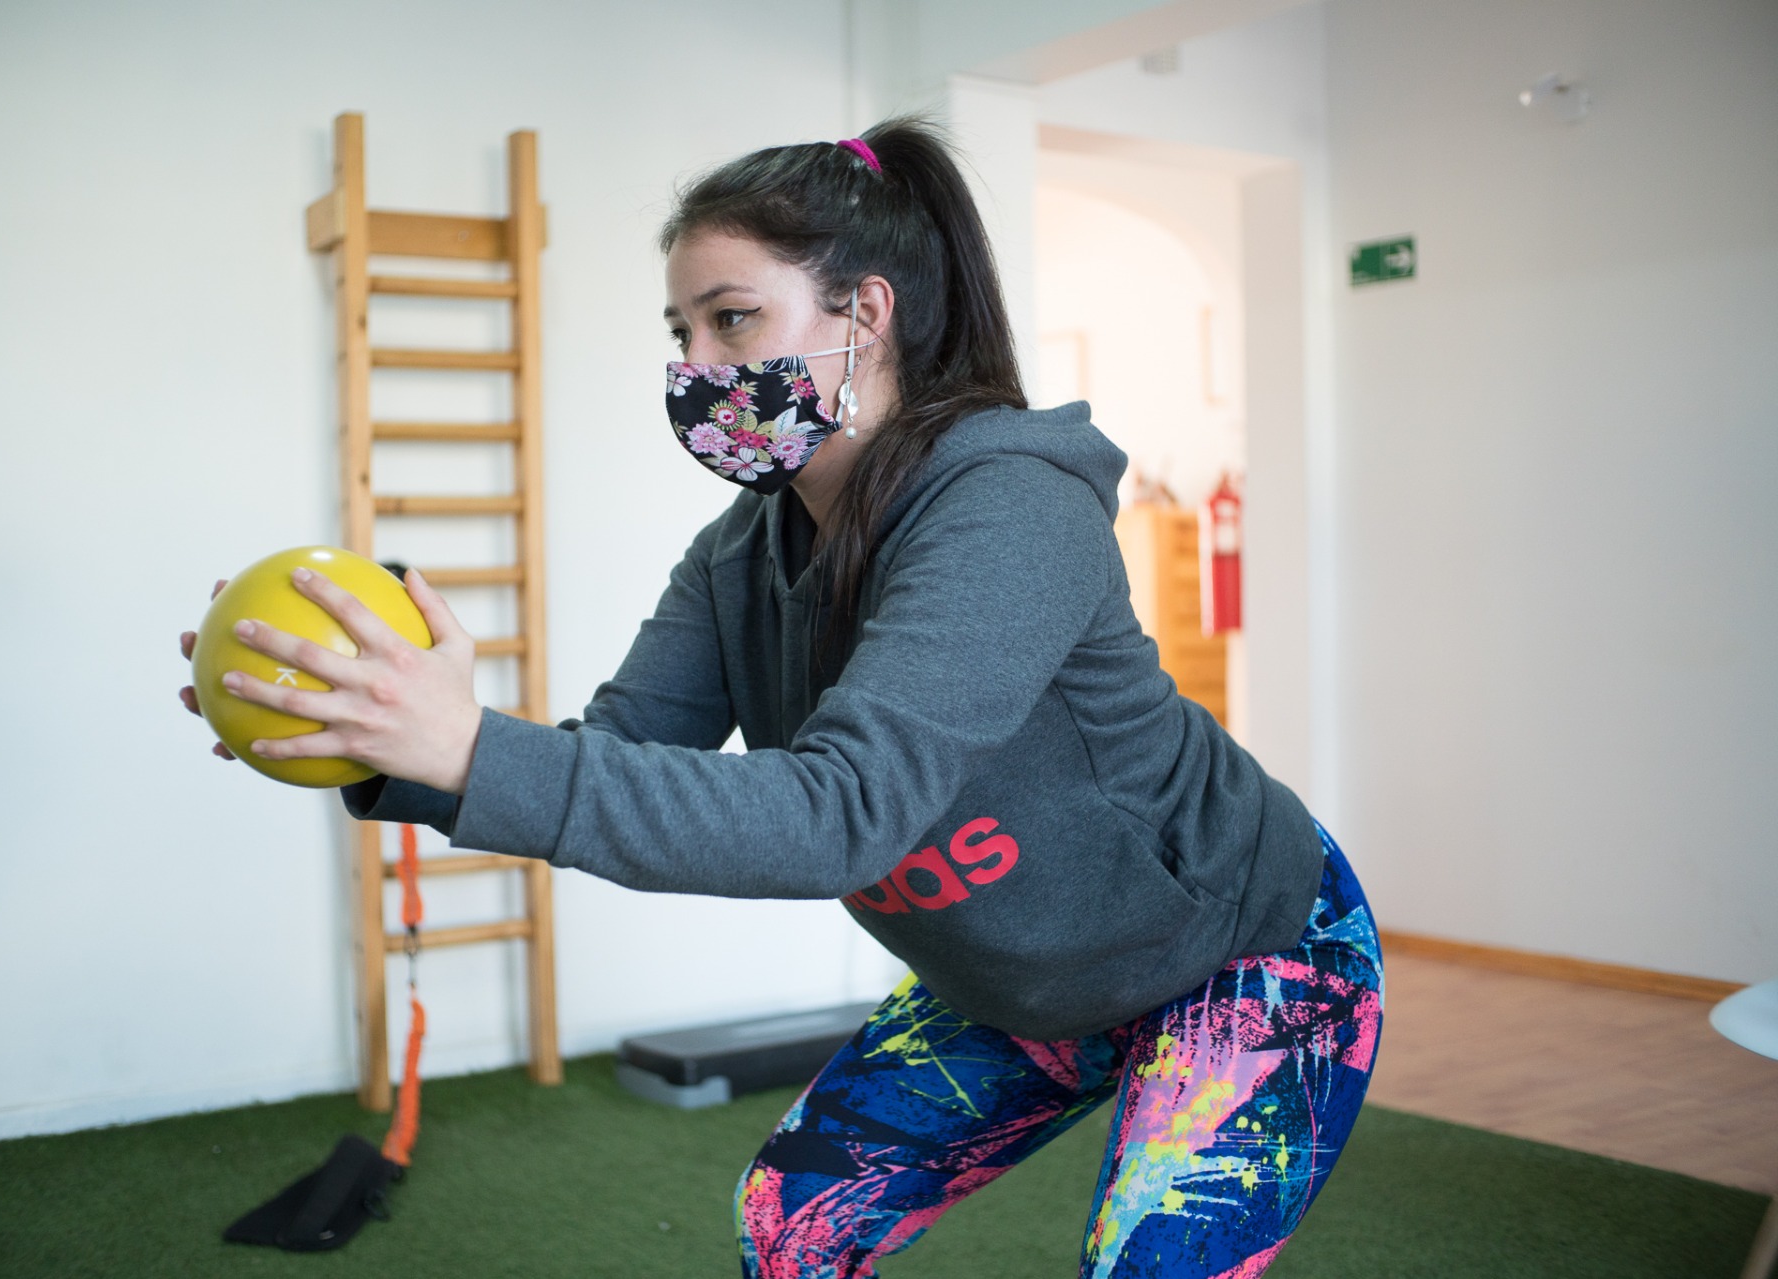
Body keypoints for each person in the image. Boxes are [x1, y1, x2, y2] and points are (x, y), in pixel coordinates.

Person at [179, 117, 1384, 1278]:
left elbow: (841, 814)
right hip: (1025, 985)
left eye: (733, 317)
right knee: (793, 1224)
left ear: (867, 312)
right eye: (682, 328)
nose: (696, 365)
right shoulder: (737, 557)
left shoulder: (1010, 507)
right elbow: (616, 756)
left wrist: (468, 747)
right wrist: (381, 736)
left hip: (1241, 952)